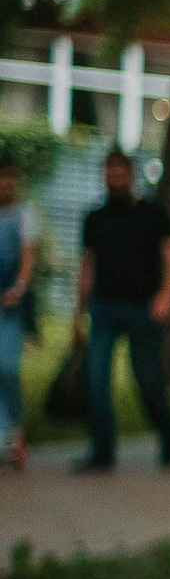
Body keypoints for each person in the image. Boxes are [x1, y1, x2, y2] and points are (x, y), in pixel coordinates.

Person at [73, 149, 170, 472]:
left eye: (121, 174)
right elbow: (88, 265)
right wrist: (78, 311)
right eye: (110, 174)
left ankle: (168, 434)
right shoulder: (95, 218)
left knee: (148, 380)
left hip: (143, 308)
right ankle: (102, 450)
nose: (115, 180)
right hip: (104, 308)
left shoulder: (152, 214)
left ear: (131, 175)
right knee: (96, 378)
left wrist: (166, 294)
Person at [0, 159, 43, 471]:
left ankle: (16, 432)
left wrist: (18, 288)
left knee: (7, 368)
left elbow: (28, 257)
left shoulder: (23, 216)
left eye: (9, 179)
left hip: (12, 306)